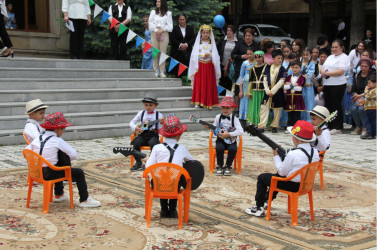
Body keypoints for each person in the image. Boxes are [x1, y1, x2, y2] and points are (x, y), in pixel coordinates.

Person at [245, 120, 319, 217]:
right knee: (275, 177)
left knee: (263, 178)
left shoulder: (293, 154)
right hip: (306, 185)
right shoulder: (315, 151)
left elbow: (281, 172)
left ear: (295, 139)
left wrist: (276, 156)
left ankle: (259, 207)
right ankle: (267, 200)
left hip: (292, 185)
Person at [26, 112, 101, 208]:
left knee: (57, 163)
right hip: (49, 174)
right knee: (79, 172)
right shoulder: (57, 141)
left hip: (36, 173)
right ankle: (84, 199)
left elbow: (26, 151)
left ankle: (59, 194)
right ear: (58, 129)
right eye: (63, 129)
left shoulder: (38, 138)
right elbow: (74, 155)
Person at [145, 115, 193, 218]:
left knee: (160, 178)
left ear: (164, 135)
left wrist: (147, 160)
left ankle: (163, 210)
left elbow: (148, 167)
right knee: (176, 179)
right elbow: (193, 163)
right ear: (179, 135)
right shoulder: (182, 148)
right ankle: (172, 210)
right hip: (174, 187)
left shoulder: (157, 148)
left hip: (158, 186)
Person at [321, 39, 350, 134]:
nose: (334, 49)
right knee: (328, 104)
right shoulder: (330, 57)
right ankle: (329, 125)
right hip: (327, 83)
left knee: (335, 104)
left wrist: (328, 73)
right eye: (333, 47)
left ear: (341, 47)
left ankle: (337, 126)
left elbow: (341, 71)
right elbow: (323, 67)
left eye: (336, 47)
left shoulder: (344, 57)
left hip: (338, 84)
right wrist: (323, 73)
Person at [129, 93, 164, 171]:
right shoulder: (141, 113)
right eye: (146, 105)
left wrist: (161, 123)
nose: (148, 107)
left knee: (154, 145)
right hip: (142, 135)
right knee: (134, 145)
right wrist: (135, 127)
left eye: (151, 105)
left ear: (156, 105)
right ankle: (139, 163)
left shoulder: (159, 115)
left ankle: (152, 163)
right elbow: (131, 122)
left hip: (153, 135)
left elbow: (161, 129)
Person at [209, 97, 243, 176]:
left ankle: (228, 166)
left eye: (227, 108)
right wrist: (211, 128)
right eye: (223, 107)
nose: (225, 110)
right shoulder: (218, 117)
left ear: (232, 108)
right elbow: (215, 128)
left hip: (231, 140)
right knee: (219, 148)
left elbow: (241, 131)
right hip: (220, 139)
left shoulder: (235, 119)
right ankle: (220, 166)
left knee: (233, 149)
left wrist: (229, 134)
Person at [188, 24, 220, 109]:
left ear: (209, 34)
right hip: (200, 67)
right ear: (201, 33)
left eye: (207, 33)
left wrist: (210, 55)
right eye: (204, 32)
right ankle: (198, 101)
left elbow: (216, 56)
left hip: (209, 66)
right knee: (199, 83)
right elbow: (194, 56)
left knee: (208, 83)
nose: (205, 34)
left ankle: (209, 101)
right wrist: (202, 55)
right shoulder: (198, 45)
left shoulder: (212, 45)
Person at [231, 28, 260, 113]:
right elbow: (233, 55)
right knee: (238, 88)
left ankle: (250, 108)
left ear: (253, 37)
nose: (247, 37)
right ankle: (237, 108)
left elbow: (260, 55)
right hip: (240, 68)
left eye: (249, 36)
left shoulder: (256, 45)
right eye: (246, 36)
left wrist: (253, 57)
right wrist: (241, 57)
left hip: (253, 70)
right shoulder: (239, 44)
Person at [258, 50, 286, 133]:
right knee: (264, 107)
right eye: (278, 58)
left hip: (277, 91)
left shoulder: (282, 69)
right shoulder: (268, 67)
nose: (280, 60)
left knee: (276, 109)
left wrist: (273, 91)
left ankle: (274, 126)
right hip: (268, 91)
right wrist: (267, 90)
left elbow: (281, 81)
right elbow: (265, 79)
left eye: (281, 58)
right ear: (273, 58)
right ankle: (262, 125)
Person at [350, 58, 376, 136]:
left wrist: (360, 97)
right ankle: (358, 126)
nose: (363, 68)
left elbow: (372, 89)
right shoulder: (357, 75)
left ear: (369, 67)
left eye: (366, 66)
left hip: (368, 96)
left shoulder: (373, 75)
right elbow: (353, 89)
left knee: (361, 108)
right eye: (362, 66)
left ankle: (365, 127)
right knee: (353, 108)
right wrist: (356, 96)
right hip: (358, 97)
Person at [149, 0, 173, 77]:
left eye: (159, 1)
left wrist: (162, 30)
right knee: (155, 51)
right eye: (156, 1)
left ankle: (162, 71)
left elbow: (170, 27)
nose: (157, 3)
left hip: (164, 33)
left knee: (163, 52)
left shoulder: (168, 13)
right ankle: (155, 71)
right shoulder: (153, 12)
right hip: (154, 32)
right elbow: (150, 23)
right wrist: (156, 31)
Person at [169, 13, 195, 78]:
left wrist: (186, 44)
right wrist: (180, 45)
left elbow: (193, 38)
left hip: (187, 52)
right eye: (180, 19)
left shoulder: (190, 28)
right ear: (178, 20)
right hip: (177, 52)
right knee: (177, 71)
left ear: (185, 20)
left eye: (183, 19)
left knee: (187, 69)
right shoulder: (174, 29)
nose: (182, 21)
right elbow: (172, 39)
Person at [247, 50, 267, 125]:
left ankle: (262, 122)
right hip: (255, 90)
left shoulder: (266, 67)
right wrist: (249, 91)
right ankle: (254, 121)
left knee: (262, 107)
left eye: (259, 57)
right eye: (256, 57)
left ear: (263, 57)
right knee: (254, 106)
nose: (258, 59)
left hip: (263, 90)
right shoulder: (253, 68)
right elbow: (251, 81)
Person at [284, 60, 306, 126]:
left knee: (297, 114)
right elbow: (285, 87)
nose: (295, 69)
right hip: (289, 97)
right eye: (293, 67)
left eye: (296, 67)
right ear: (291, 68)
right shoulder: (288, 77)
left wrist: (289, 85)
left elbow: (299, 88)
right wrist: (293, 85)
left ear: (300, 68)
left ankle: (297, 127)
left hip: (297, 98)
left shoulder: (302, 78)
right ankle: (290, 126)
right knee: (290, 113)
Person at [217, 24, 238, 93]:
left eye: (230, 31)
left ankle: (229, 95)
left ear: (233, 32)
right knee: (222, 79)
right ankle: (221, 94)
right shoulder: (222, 39)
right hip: (222, 62)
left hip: (232, 64)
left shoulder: (238, 40)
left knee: (230, 79)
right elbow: (217, 49)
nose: (228, 32)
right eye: (227, 30)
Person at [237, 49, 256, 125]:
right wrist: (240, 90)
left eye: (251, 54)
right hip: (245, 85)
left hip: (253, 85)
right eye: (248, 54)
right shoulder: (244, 63)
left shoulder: (256, 63)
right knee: (244, 101)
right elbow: (241, 76)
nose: (249, 56)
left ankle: (251, 118)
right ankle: (243, 119)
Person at [300, 48, 316, 122]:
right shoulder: (299, 63)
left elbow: (310, 74)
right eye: (304, 55)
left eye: (307, 55)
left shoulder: (312, 64)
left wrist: (301, 76)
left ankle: (309, 120)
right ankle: (301, 119)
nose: (305, 56)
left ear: (310, 55)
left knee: (309, 102)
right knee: (300, 101)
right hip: (300, 86)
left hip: (308, 85)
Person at [360, 72, 376, 139]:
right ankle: (371, 133)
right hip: (368, 108)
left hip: (373, 108)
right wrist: (362, 103)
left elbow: (368, 96)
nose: (368, 85)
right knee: (368, 120)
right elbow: (366, 98)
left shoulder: (375, 90)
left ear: (375, 84)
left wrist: (366, 90)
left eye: (369, 83)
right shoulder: (370, 90)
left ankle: (370, 133)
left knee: (371, 121)